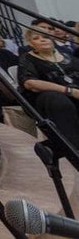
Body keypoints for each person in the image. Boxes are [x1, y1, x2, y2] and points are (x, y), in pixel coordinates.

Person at [18, 23, 79, 159]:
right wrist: (69, 91)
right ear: (30, 44)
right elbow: (30, 83)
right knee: (57, 99)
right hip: (50, 101)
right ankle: (75, 151)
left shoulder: (68, 56)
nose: (43, 39)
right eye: (36, 38)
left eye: (45, 37)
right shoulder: (28, 58)